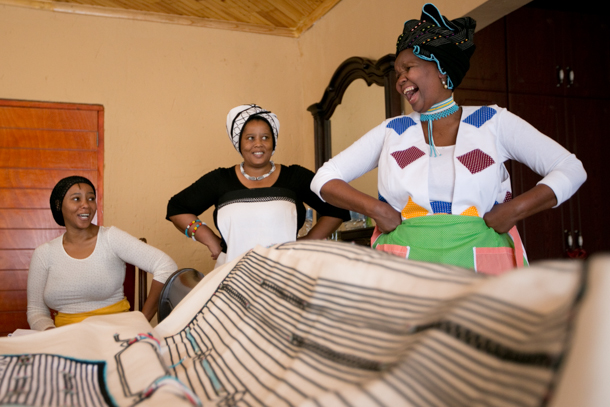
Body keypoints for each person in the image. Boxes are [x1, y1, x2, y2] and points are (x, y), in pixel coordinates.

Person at [311, 3, 587, 273]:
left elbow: (570, 168)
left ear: (442, 69)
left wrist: (515, 210)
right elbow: (324, 178)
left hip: (483, 263)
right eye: (398, 73)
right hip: (403, 266)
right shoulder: (393, 130)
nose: (400, 79)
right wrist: (376, 209)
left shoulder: (492, 121)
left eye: (409, 67)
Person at [166, 104, 350, 267]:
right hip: (232, 277)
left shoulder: (295, 177)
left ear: (273, 142)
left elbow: (336, 208)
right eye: (250, 138)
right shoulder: (220, 179)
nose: (258, 144)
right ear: (239, 143)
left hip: (285, 276)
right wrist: (210, 240)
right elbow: (177, 207)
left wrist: (307, 242)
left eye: (265, 137)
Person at [27, 176, 177, 331]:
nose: (86, 205)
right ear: (59, 206)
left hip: (116, 334)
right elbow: (36, 311)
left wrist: (142, 321)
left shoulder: (111, 238)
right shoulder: (44, 253)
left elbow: (166, 266)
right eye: (76, 199)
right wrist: (51, 334)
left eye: (91, 198)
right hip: (66, 338)